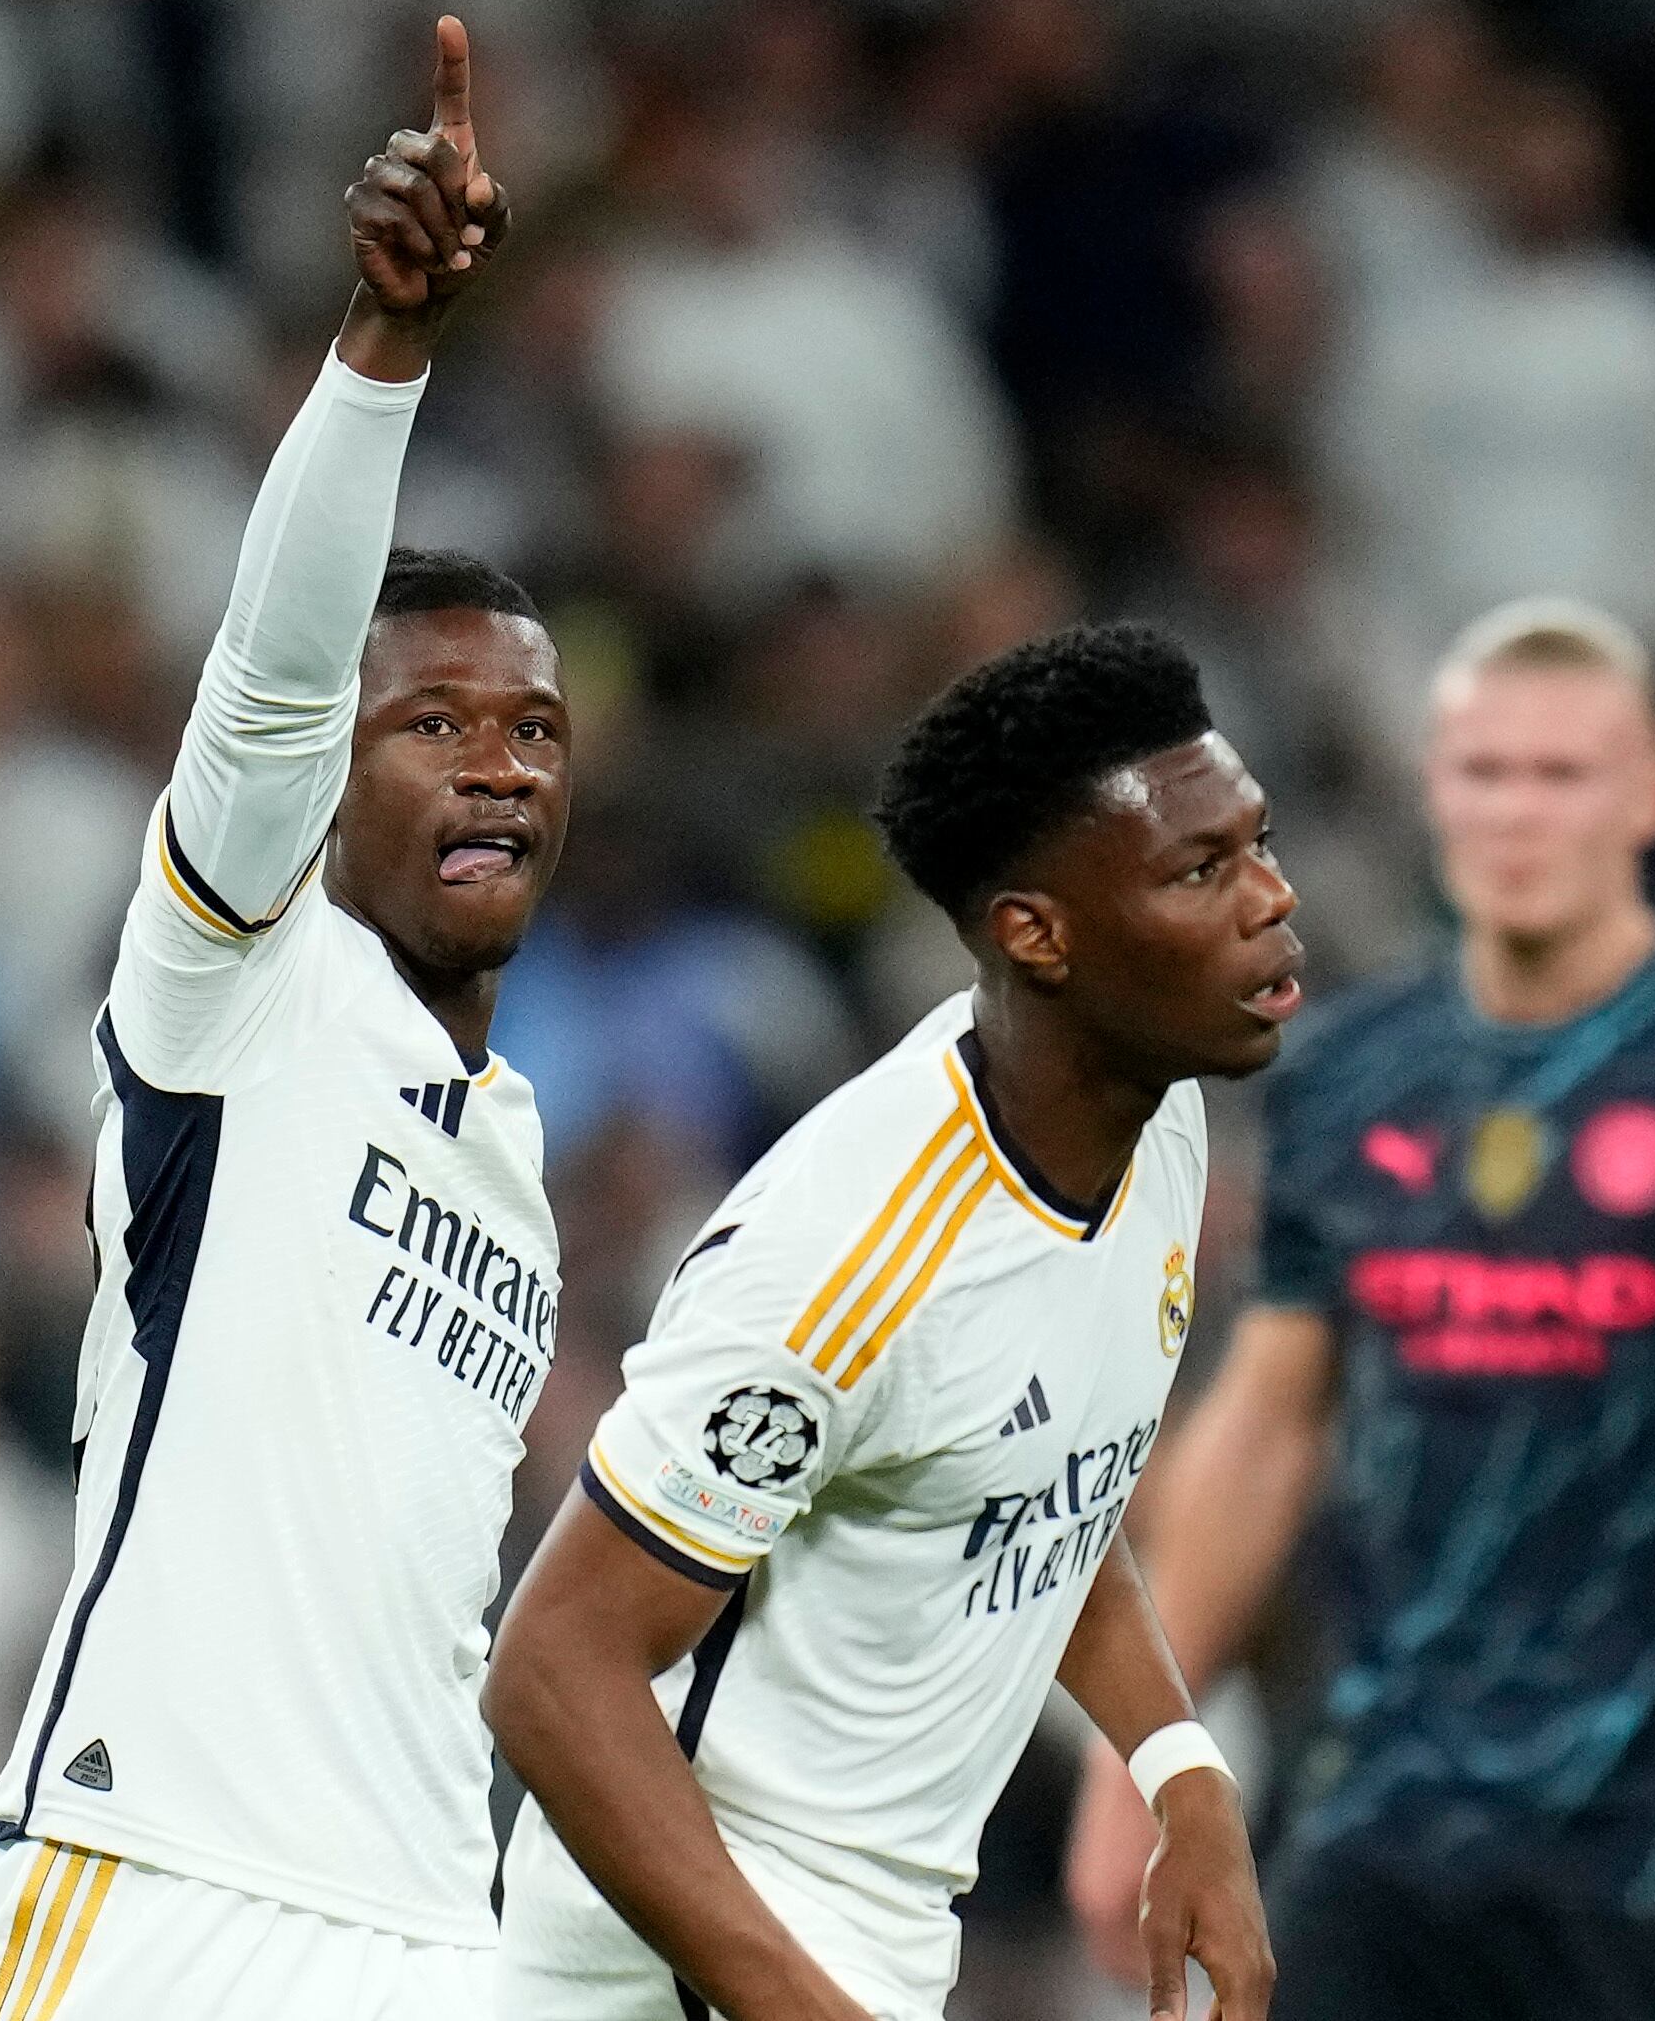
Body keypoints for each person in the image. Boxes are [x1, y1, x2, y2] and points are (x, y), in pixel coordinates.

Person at [0, 17, 569, 2021]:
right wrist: (381, 357)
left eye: (535, 731)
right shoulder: (239, 991)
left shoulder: (518, 1151)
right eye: (436, 723)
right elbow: (275, 683)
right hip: (144, 1894)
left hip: (423, 1932)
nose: (500, 764)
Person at [1062, 599, 1655, 2021]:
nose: (1518, 810)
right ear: (1435, 788)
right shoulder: (1348, 1071)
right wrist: (1136, 1757)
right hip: (1384, 1819)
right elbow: (1264, 1430)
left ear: (1651, 796)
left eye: (1562, 774)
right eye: (1486, 771)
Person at [486, 622, 1293, 2021]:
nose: (1272, 898)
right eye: (1200, 870)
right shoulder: (850, 1256)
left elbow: (1041, 1485)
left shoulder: (1155, 1125)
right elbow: (553, 1668)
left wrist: (1179, 1768)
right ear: (1038, 934)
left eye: (1258, 845)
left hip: (877, 1933)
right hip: (693, 1956)